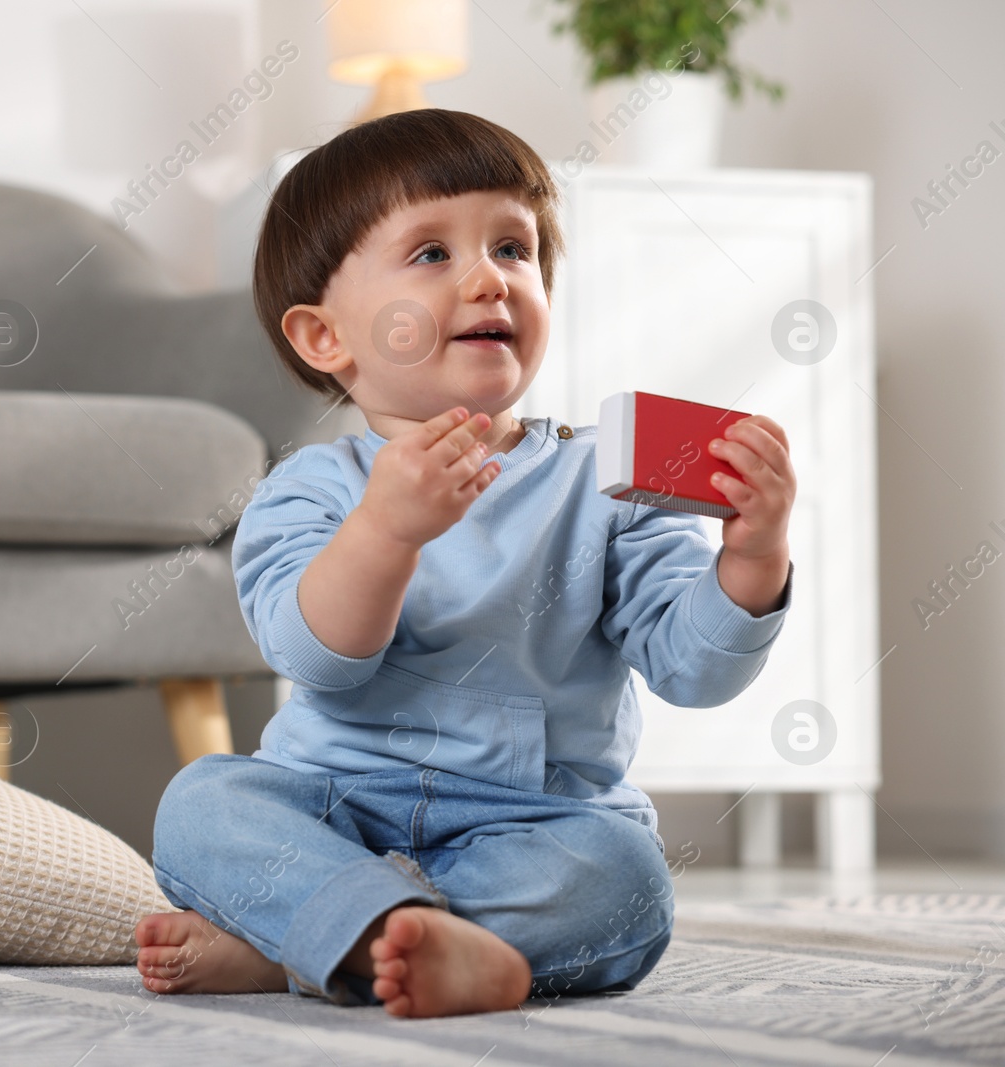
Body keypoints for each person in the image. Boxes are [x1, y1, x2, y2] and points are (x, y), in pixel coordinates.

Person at [132, 109, 796, 1018]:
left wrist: (754, 555)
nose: (490, 278)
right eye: (433, 254)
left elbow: (694, 669)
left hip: (533, 824)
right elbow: (317, 656)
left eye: (515, 249)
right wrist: (387, 531)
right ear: (326, 337)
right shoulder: (309, 490)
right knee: (200, 803)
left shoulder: (608, 478)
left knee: (626, 881)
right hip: (336, 805)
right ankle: (387, 932)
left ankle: (317, 940)